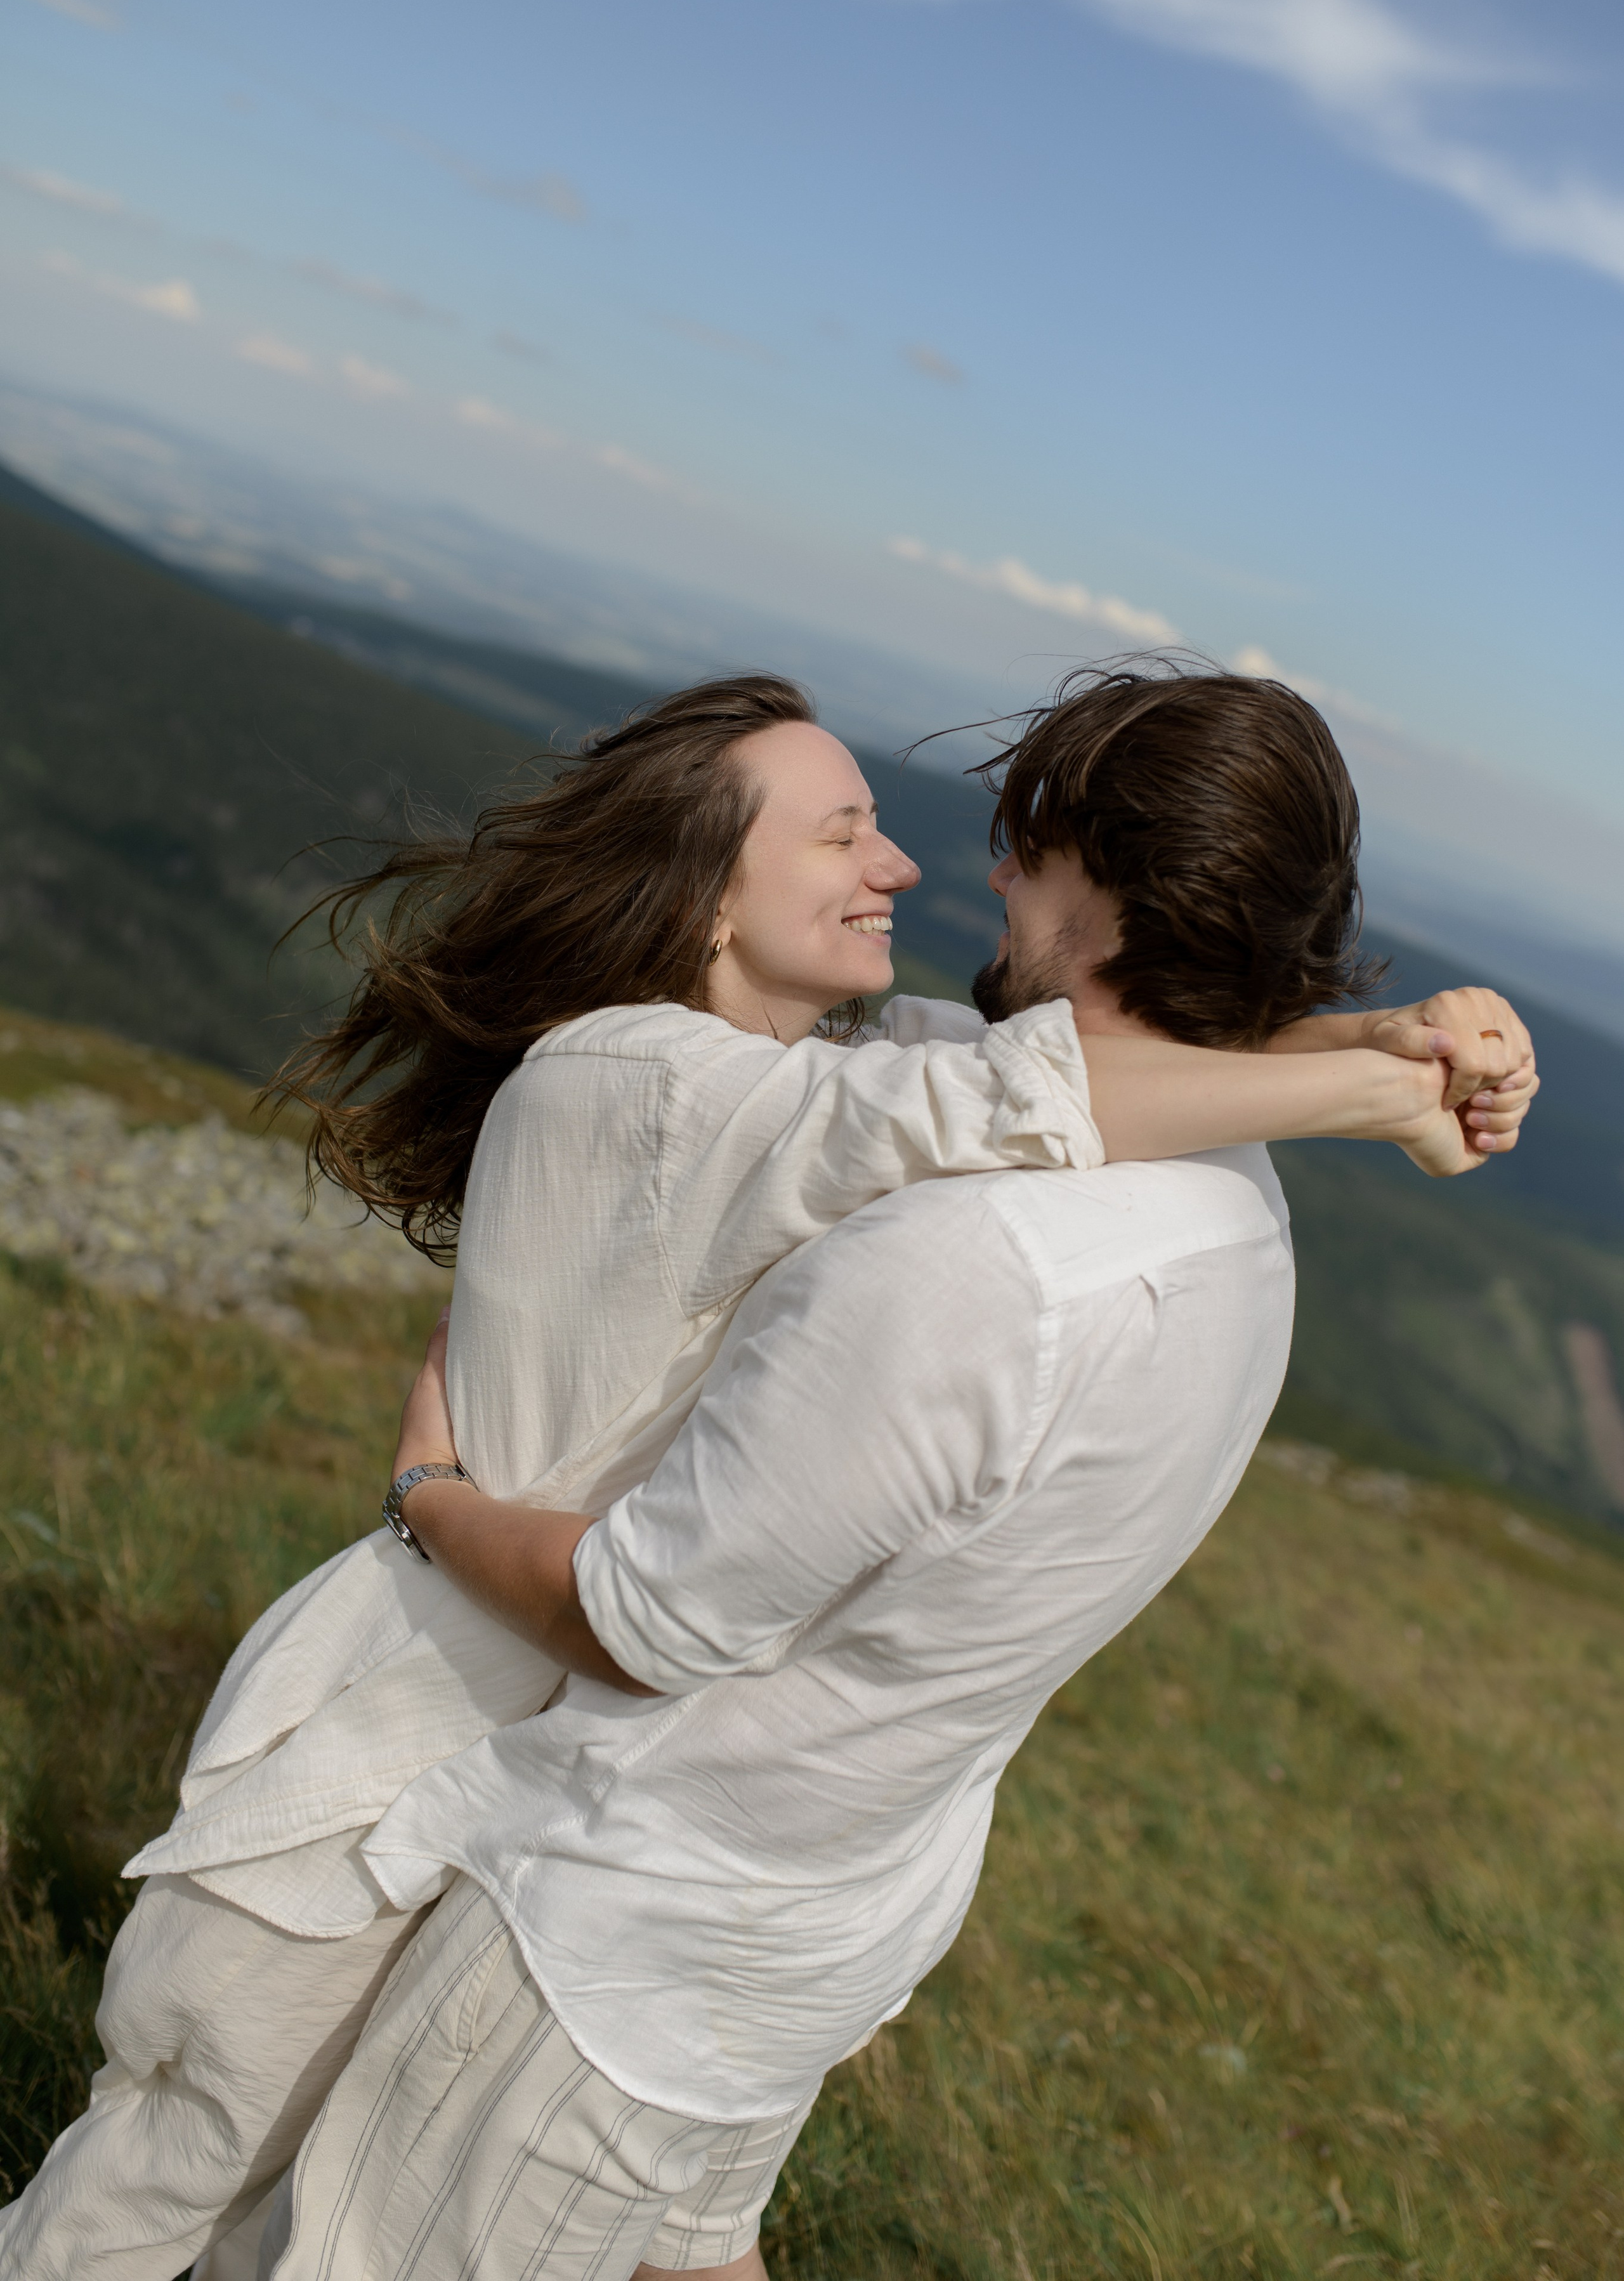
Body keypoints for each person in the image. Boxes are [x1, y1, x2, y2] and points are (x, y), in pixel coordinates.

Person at [0, 670, 1533, 2281]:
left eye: (978, 838)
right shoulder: (648, 1084)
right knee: (177, 2173)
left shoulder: (902, 1136)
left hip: (600, 1841)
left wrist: (1389, 1040)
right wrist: (1374, 1079)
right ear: (704, 897)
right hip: (445, 1763)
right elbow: (1015, 1088)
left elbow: (1065, 1070)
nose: (925, 868)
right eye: (844, 830)